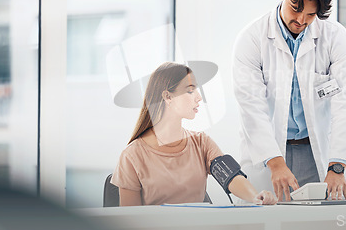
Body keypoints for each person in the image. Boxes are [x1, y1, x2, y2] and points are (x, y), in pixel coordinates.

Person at [232, 0, 346, 202]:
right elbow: (251, 107)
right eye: (295, 9)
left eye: (311, 14)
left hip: (318, 153)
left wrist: (336, 166)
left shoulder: (336, 39)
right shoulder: (252, 39)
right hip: (269, 154)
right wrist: (275, 162)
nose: (301, 20)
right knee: (267, 222)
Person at [111, 62, 277, 206]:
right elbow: (129, 218)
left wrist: (255, 197)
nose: (199, 97)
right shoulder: (132, 155)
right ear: (167, 97)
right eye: (190, 91)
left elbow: (231, 176)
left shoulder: (201, 142)